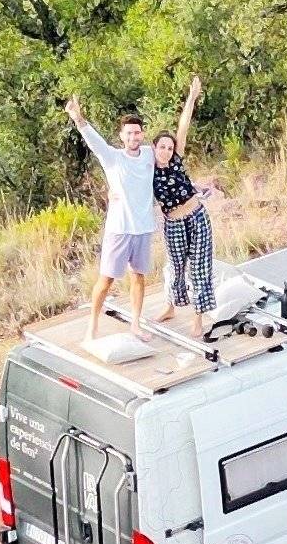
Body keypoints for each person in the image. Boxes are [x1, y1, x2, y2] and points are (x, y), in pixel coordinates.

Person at [65, 94, 157, 343]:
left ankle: (136, 324)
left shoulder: (150, 154)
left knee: (138, 276)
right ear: (121, 136)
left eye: (137, 133)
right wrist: (78, 117)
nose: (133, 137)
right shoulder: (113, 158)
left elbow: (174, 147)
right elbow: (94, 142)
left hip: (144, 228)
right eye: (128, 133)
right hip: (119, 229)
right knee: (106, 280)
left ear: (143, 134)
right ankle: (92, 324)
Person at [154, 74, 219, 334]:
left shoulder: (177, 160)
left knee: (200, 266)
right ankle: (171, 304)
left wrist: (191, 98)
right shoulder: (148, 171)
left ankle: (198, 317)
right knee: (175, 265)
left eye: (170, 148)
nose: (167, 151)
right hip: (173, 223)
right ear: (154, 148)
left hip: (196, 216)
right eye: (162, 147)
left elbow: (183, 126)